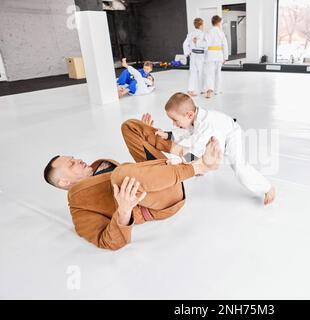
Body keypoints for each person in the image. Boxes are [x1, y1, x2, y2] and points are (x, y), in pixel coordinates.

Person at [43, 116, 222, 250]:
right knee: (121, 175)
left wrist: (149, 137)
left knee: (130, 126)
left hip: (163, 173)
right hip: (159, 202)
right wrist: (124, 210)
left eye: (74, 158)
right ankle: (200, 167)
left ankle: (191, 157)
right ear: (64, 181)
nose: (78, 160)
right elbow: (107, 241)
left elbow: (140, 173)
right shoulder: (78, 207)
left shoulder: (99, 165)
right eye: (71, 163)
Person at [152, 92, 276, 205]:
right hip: (219, 133)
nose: (174, 123)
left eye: (175, 120)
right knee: (193, 146)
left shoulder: (205, 125)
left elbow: (196, 151)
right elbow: (187, 134)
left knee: (240, 168)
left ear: (189, 115)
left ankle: (267, 187)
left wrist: (180, 160)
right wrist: (168, 134)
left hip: (232, 135)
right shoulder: (194, 118)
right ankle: (202, 169)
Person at [203, 15, 229, 99]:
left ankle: (210, 91)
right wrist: (225, 57)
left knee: (209, 74)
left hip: (210, 55)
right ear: (218, 22)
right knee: (218, 73)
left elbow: (205, 45)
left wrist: (204, 54)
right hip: (219, 55)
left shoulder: (208, 32)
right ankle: (217, 90)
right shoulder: (221, 32)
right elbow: (225, 45)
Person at [183, 18, 207, 97]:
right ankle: (203, 89)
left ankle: (190, 90)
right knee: (202, 73)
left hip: (193, 55)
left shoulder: (191, 34)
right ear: (201, 25)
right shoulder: (204, 34)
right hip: (201, 56)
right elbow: (206, 45)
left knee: (192, 73)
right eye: (203, 24)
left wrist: (188, 53)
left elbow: (185, 44)